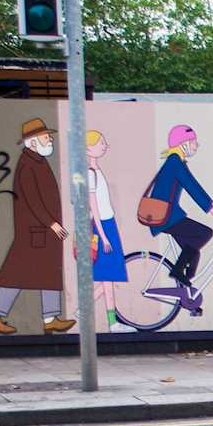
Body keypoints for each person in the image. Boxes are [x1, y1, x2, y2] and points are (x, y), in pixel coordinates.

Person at [0, 118, 75, 336]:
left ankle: (50, 318)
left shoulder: (38, 161)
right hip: (35, 232)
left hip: (42, 232)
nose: (49, 139)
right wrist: (51, 223)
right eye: (46, 136)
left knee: (47, 274)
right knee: (18, 275)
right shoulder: (28, 165)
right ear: (33, 142)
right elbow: (33, 199)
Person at [146, 125, 213, 309]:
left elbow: (194, 188)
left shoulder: (176, 162)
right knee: (205, 233)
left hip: (169, 215)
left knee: (193, 252)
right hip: (166, 217)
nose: (196, 145)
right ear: (182, 144)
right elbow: (193, 187)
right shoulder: (175, 162)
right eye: (193, 142)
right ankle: (176, 271)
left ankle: (187, 296)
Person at [86, 130, 130, 332]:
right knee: (108, 276)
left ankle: (82, 308)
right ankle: (112, 323)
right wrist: (103, 236)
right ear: (88, 148)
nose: (104, 145)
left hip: (107, 222)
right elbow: (93, 206)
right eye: (100, 143)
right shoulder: (90, 173)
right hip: (102, 225)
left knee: (108, 276)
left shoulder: (96, 170)